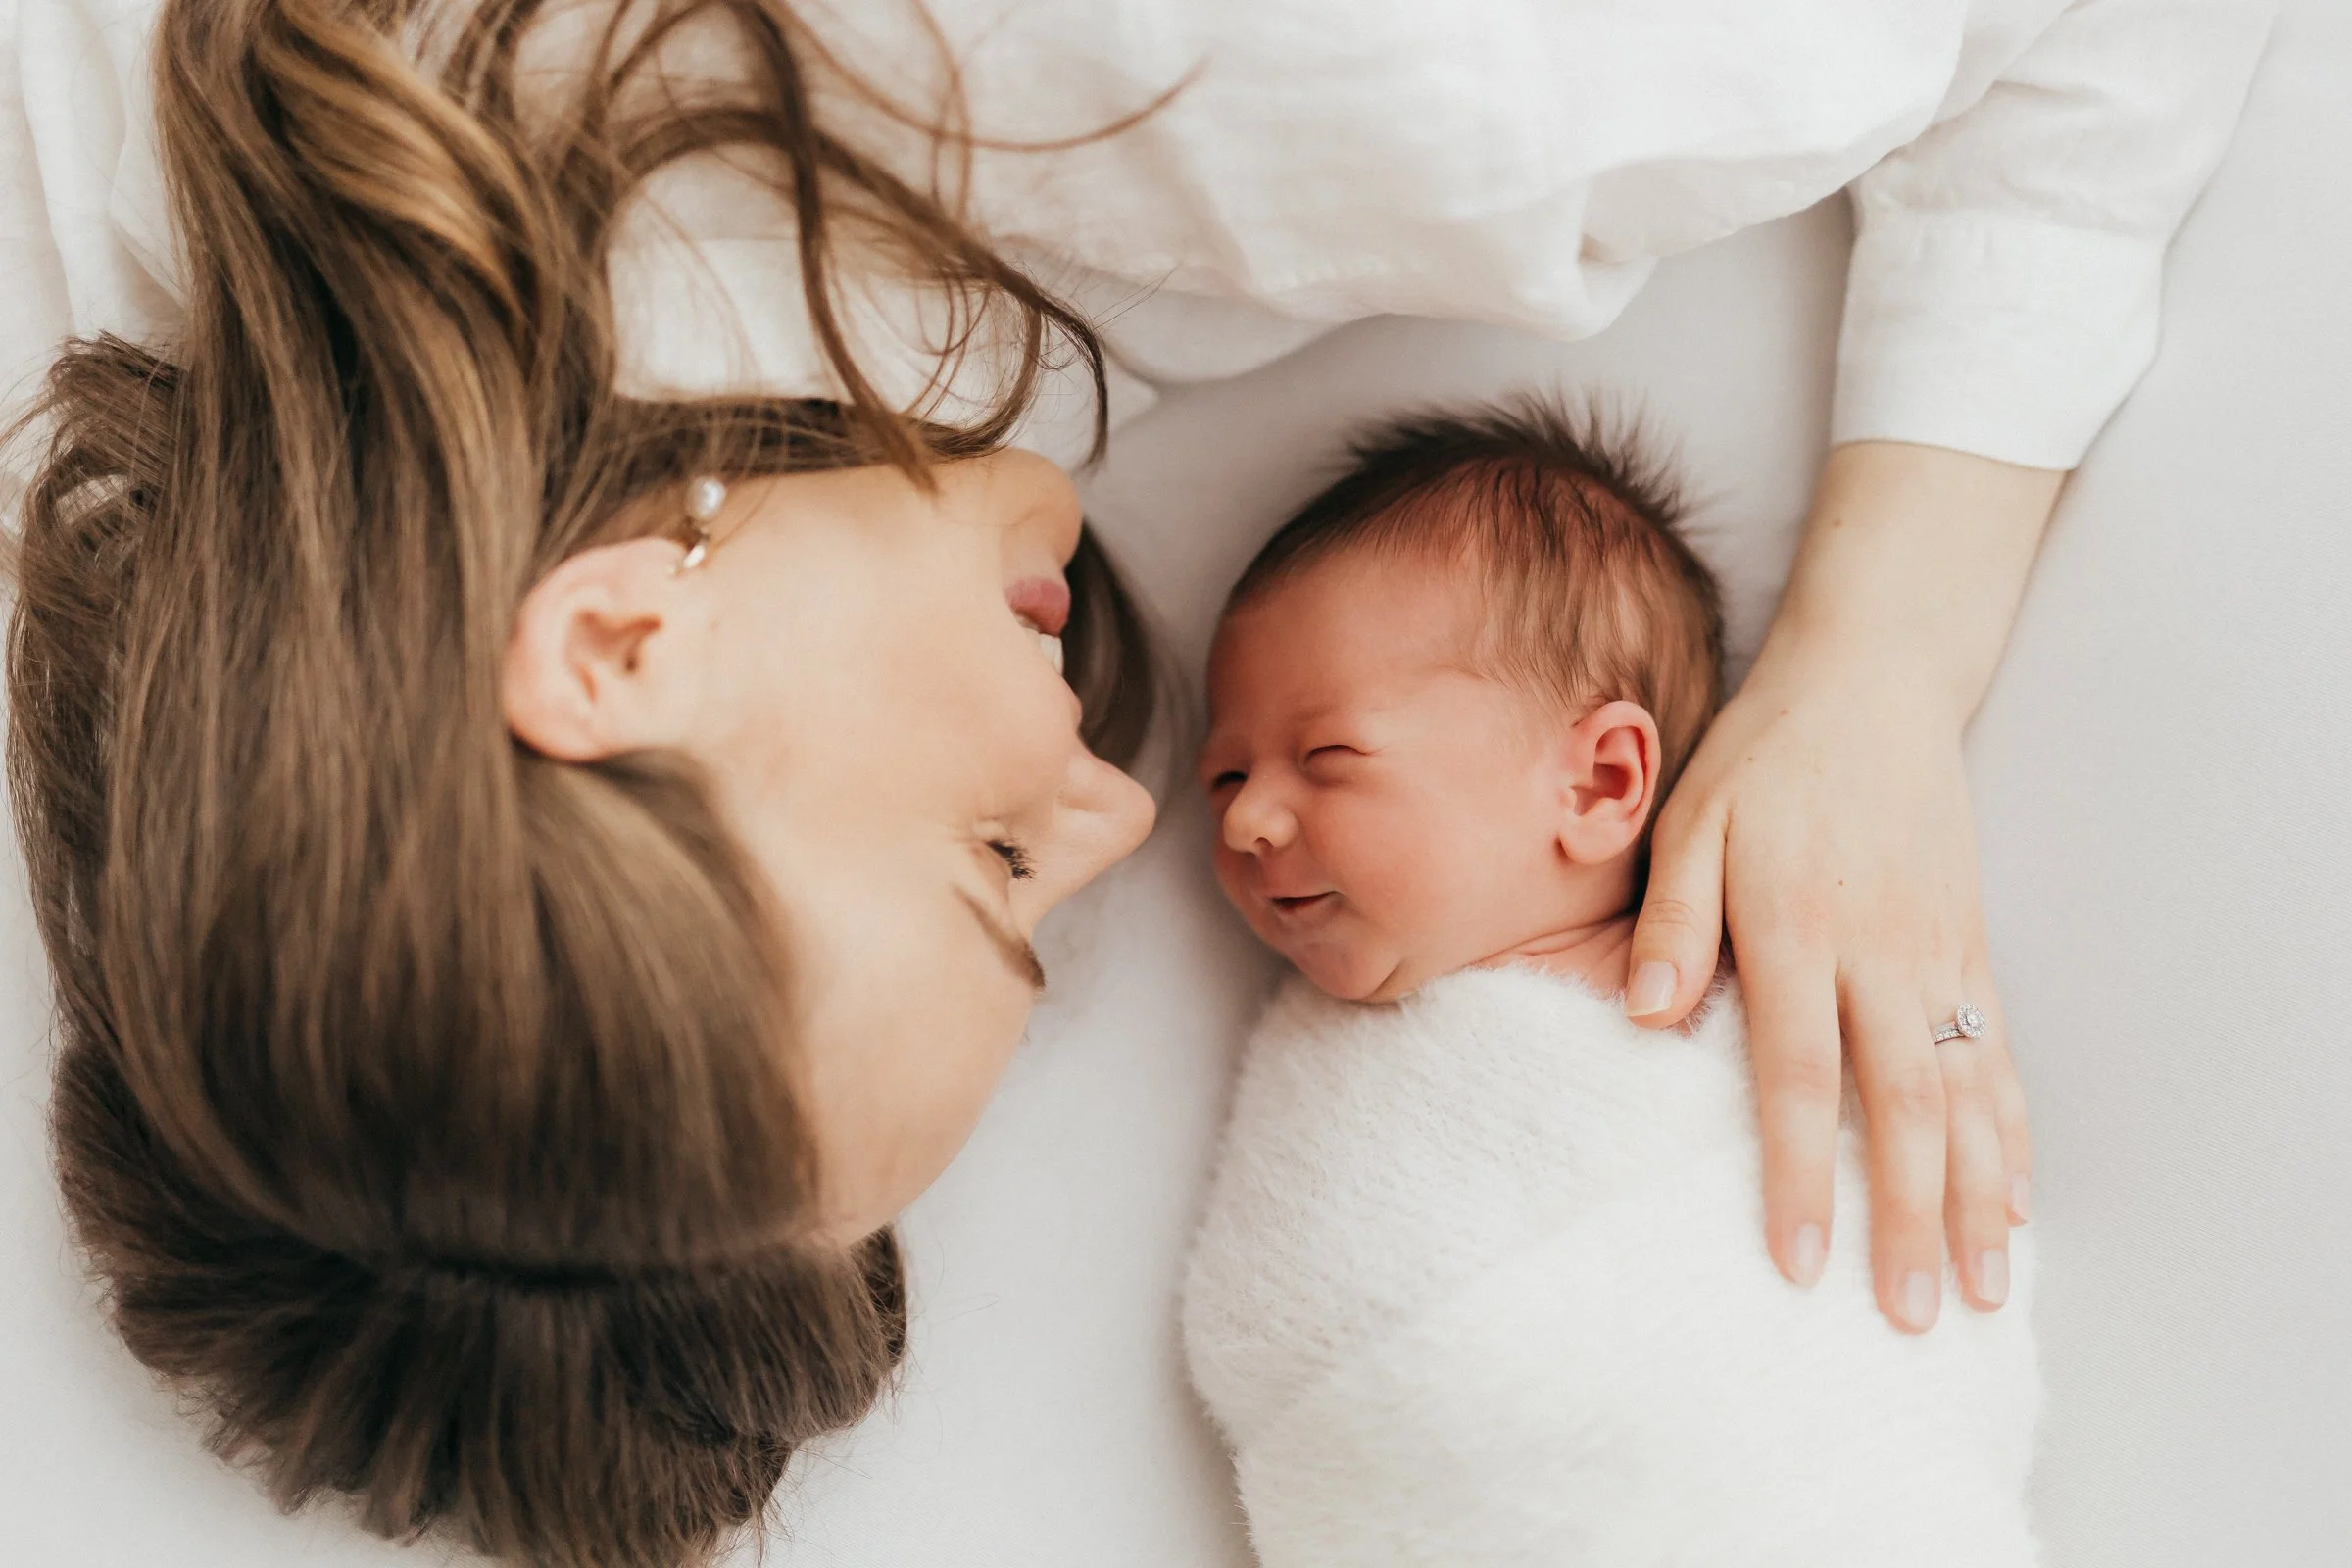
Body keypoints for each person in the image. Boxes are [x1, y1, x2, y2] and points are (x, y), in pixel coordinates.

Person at [0, 0, 2272, 1563]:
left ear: (615, 641)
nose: (1122, 811)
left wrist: (1876, 660)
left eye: (982, 858)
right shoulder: (203, 230)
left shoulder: (1285, 106)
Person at [1183, 398, 2040, 1565]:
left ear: (1597, 783)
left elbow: (1882, 1209)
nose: (1247, 817)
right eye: (1223, 775)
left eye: (1325, 758)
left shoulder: (1760, 969)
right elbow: (1277, 1332)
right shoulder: (1330, 1064)